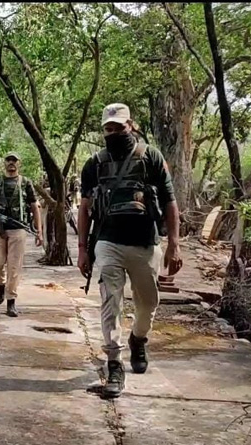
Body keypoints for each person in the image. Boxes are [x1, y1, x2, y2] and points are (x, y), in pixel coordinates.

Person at [77, 103, 182, 399]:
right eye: (108, 129)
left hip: (145, 243)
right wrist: (83, 249)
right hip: (108, 242)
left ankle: (139, 339)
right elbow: (85, 208)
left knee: (147, 303)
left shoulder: (151, 157)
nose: (113, 133)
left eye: (118, 128)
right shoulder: (95, 164)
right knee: (111, 301)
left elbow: (170, 202)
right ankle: (114, 362)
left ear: (131, 125)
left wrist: (174, 243)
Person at [0, 152, 43, 317]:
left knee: (14, 268)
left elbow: (35, 206)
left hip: (18, 229)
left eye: (14, 160)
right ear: (4, 163)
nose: (11, 163)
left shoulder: (25, 182)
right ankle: (1, 285)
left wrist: (39, 231)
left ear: (19, 163)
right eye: (8, 160)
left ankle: (11, 302)